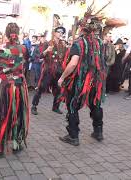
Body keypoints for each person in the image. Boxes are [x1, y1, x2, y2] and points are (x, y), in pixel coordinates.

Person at [58, 6, 108, 146]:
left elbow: (73, 64)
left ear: (82, 28)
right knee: (95, 104)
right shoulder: (99, 43)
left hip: (80, 82)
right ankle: (98, 132)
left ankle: (73, 136)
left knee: (73, 105)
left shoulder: (78, 43)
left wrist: (62, 78)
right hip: (96, 81)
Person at [0, 22, 30, 157]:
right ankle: (15, 144)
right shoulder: (24, 49)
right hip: (19, 88)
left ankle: (0, 148)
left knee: (1, 114)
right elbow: (24, 66)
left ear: (6, 33)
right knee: (17, 114)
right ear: (18, 33)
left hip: (2, 88)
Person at [31, 27, 67, 115]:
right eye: (58, 32)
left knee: (58, 90)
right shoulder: (48, 43)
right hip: (48, 70)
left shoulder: (63, 45)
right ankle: (34, 106)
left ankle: (55, 107)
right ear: (54, 33)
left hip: (58, 71)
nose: (60, 34)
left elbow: (64, 58)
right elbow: (40, 56)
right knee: (41, 88)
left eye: (62, 32)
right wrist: (47, 50)